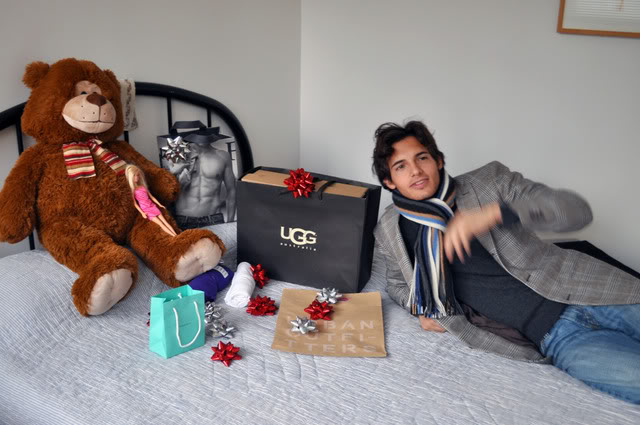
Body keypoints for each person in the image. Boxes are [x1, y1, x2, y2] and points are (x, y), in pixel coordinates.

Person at [372, 120, 640, 404]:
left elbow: (575, 211)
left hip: (591, 292)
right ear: (390, 181)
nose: (415, 170)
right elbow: (396, 284)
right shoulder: (390, 230)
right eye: (400, 166)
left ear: (438, 161)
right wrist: (422, 309)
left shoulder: (489, 182)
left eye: (422, 158)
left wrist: (494, 214)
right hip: (557, 337)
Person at [167, 139, 236, 229]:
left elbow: (231, 190)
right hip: (182, 220)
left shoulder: (223, 156)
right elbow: (165, 190)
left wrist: (230, 222)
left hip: (213, 220)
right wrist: (173, 172)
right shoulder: (178, 153)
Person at [125, 164, 177, 237]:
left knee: (166, 222)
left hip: (152, 206)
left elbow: (152, 197)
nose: (137, 177)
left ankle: (176, 235)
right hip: (146, 210)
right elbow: (135, 204)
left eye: (138, 175)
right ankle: (174, 236)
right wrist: (142, 213)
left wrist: (160, 205)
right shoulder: (133, 190)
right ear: (131, 177)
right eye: (135, 175)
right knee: (161, 224)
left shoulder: (142, 186)